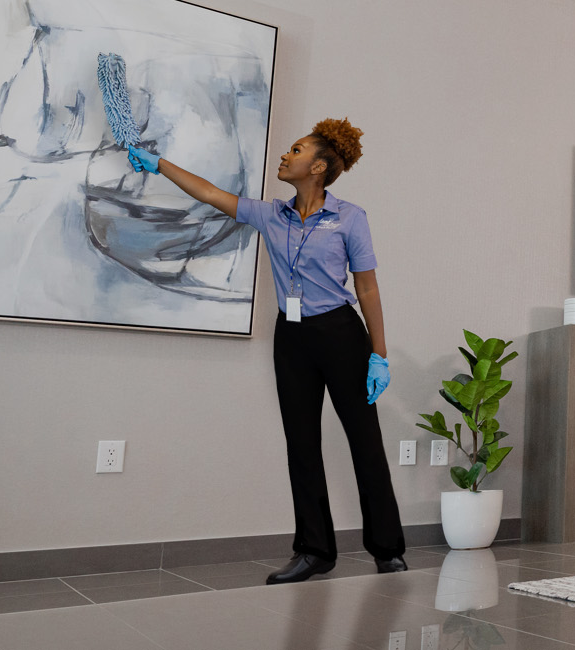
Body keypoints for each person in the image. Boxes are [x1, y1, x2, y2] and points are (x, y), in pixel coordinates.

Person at [128, 118, 407, 584]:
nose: (285, 155)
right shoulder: (270, 215)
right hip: (292, 337)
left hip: (341, 334)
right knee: (301, 444)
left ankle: (387, 549)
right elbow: (209, 193)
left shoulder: (350, 218)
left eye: (296, 150)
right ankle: (314, 551)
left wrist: (379, 354)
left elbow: (367, 288)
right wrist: (159, 164)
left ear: (318, 167)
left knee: (365, 442)